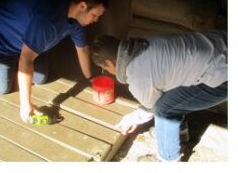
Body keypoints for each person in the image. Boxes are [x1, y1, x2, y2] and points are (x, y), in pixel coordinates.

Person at [90, 31, 227, 161]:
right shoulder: (147, 42)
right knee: (169, 89)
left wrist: (133, 118)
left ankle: (168, 159)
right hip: (222, 42)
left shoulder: (135, 73)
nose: (108, 71)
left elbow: (152, 107)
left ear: (110, 63)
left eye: (105, 69)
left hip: (223, 75)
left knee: (164, 110)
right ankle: (180, 134)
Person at [0, 0, 108, 123]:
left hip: (24, 42)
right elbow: (26, 58)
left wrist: (91, 78)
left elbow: (82, 48)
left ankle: (11, 67)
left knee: (40, 78)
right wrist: (26, 105)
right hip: (0, 39)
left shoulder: (77, 20)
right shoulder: (47, 18)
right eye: (94, 15)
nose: (96, 20)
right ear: (82, 6)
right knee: (2, 88)